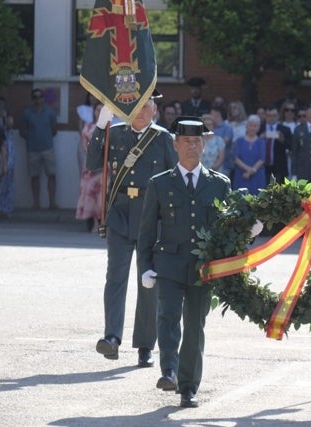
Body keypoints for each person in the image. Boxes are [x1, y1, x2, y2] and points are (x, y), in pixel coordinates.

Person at [137, 116, 231, 408]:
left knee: (194, 326)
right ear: (175, 144)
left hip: (203, 269)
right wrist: (145, 267)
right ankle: (169, 370)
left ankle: (188, 387)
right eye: (186, 141)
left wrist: (247, 233)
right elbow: (146, 232)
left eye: (197, 141)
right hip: (168, 264)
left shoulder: (219, 185)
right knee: (167, 317)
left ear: (205, 145)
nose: (192, 146)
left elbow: (228, 231)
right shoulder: (160, 184)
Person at [85, 90, 176, 367]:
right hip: (121, 213)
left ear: (154, 111)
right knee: (115, 278)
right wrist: (101, 127)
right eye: (136, 107)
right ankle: (111, 338)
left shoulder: (163, 139)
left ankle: (145, 345)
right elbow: (92, 164)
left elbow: (173, 182)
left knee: (147, 282)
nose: (139, 112)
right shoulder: (117, 132)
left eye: (145, 106)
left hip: (152, 218)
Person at [20, 88, 58, 210]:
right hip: (33, 150)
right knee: (34, 177)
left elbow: (54, 130)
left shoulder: (50, 113)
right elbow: (22, 130)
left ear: (43, 98)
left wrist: (45, 138)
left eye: (40, 96)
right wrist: (31, 138)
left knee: (52, 175)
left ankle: (52, 203)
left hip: (48, 148)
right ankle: (36, 203)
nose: (38, 99)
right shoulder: (27, 113)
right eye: (35, 97)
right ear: (32, 99)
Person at [76, 102, 104, 232]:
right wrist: (93, 156)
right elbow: (83, 146)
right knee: (90, 195)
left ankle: (103, 223)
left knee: (103, 195)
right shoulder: (88, 128)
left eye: (102, 110)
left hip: (106, 167)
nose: (99, 113)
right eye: (97, 110)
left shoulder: (112, 128)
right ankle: (93, 223)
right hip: (91, 167)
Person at [0, 97, 15, 218]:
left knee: (8, 178)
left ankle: (7, 207)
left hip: (9, 148)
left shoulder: (8, 117)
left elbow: (10, 125)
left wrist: (4, 116)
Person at [232, 114, 266, 194]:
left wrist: (250, 172)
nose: (252, 128)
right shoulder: (239, 141)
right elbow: (236, 158)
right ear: (246, 126)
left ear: (258, 128)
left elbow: (262, 159)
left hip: (257, 176)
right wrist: (248, 170)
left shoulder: (261, 142)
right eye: (250, 125)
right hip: (241, 175)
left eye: (255, 126)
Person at [259, 105, 291, 184]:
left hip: (279, 168)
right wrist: (260, 138)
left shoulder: (285, 129)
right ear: (265, 116)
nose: (271, 118)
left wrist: (282, 140)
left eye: (274, 116)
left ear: (278, 116)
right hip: (261, 167)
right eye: (269, 116)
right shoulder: (259, 128)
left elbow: (291, 146)